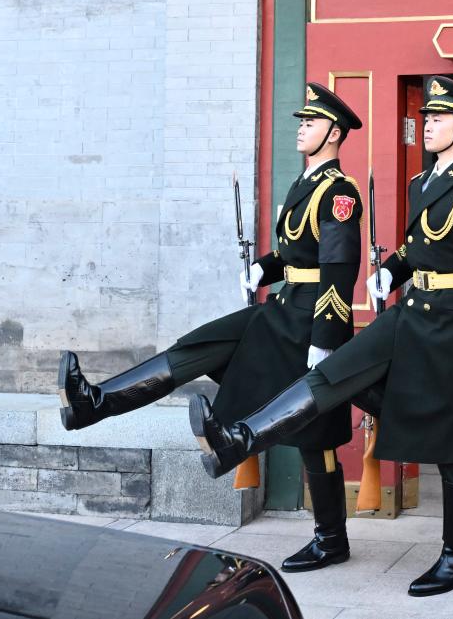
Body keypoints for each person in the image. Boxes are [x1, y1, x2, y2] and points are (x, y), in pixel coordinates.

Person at [188, 76, 453, 598]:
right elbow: (419, 248)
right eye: (425, 116)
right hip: (410, 312)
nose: (427, 124)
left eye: (439, 117)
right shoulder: (420, 183)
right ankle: (240, 437)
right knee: (331, 372)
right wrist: (394, 272)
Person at [58, 83, 364, 573]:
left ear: (334, 133)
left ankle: (331, 539)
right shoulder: (303, 184)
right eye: (301, 121)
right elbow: (292, 253)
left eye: (311, 122)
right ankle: (96, 402)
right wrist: (264, 269)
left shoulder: (340, 193)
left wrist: (326, 341)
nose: (301, 128)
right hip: (281, 309)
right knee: (199, 345)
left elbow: (339, 271)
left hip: (308, 320)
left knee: (318, 436)